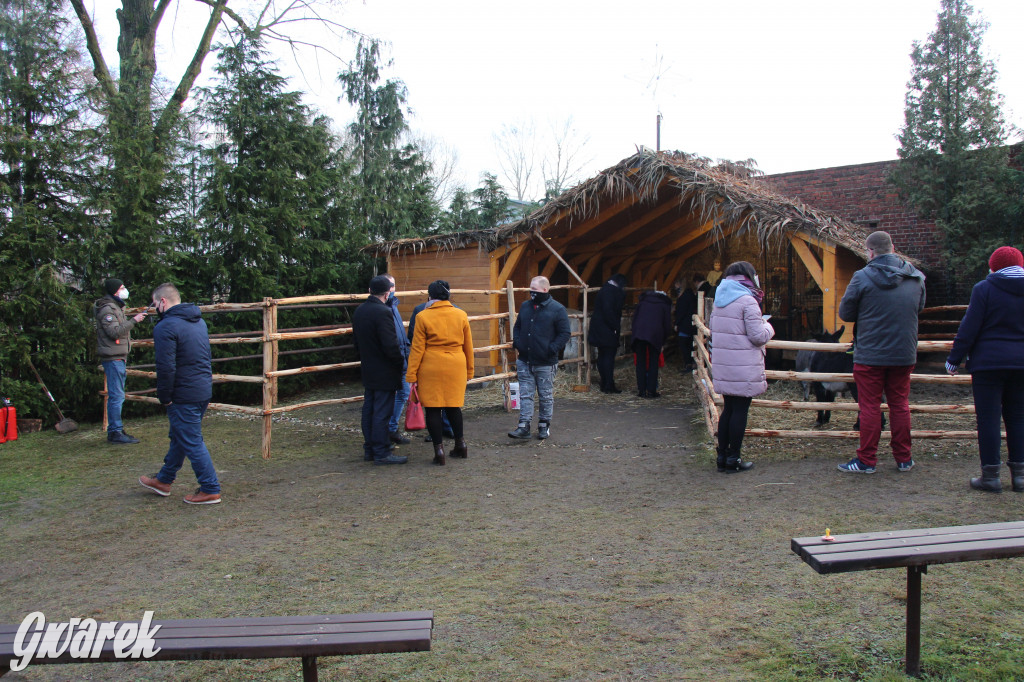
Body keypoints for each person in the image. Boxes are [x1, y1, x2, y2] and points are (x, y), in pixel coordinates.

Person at [836, 230, 925, 474]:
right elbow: (919, 307)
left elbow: (846, 314)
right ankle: (904, 459)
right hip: (904, 352)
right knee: (899, 404)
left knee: (870, 407)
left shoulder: (861, 277)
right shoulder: (916, 277)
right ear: (893, 248)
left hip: (871, 354)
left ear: (870, 251)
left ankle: (866, 461)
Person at [945, 246, 1024, 493]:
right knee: (1019, 418)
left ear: (994, 266)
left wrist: (953, 360)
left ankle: (990, 477)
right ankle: (1020, 477)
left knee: (988, 420)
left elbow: (969, 328)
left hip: (988, 364)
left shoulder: (984, 289)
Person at [138, 283, 222, 504]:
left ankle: (210, 488)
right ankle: (164, 480)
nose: (154, 308)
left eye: (154, 304)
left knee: (191, 440)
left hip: (183, 393)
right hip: (201, 389)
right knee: (180, 436)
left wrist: (165, 396)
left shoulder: (165, 327)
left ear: (162, 302)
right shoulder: (198, 322)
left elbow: (166, 367)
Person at [710, 261, 774, 473]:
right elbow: (757, 336)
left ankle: (722, 457)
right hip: (743, 364)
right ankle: (734, 459)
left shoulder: (719, 300)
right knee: (740, 410)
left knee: (728, 409)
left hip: (725, 363)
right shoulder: (748, 301)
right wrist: (768, 327)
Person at [405, 280, 475, 465]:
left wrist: (411, 375)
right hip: (456, 364)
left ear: (430, 297)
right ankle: (461, 444)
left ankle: (439, 451)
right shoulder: (461, 315)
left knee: (433, 409)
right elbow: (468, 346)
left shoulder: (422, 316)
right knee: (454, 406)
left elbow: (417, 348)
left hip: (431, 366)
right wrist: (470, 370)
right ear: (449, 295)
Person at [352, 275, 407, 466]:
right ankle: (381, 451)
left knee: (369, 410)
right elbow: (390, 345)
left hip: (368, 368)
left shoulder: (360, 311)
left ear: (369, 291)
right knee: (382, 413)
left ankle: (370, 449)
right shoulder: (383, 312)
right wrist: (400, 364)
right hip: (384, 370)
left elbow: (357, 343)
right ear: (387, 293)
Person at [508, 276, 571, 440]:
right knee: (525, 394)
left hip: (545, 362)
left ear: (545, 290)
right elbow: (518, 326)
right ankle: (524, 425)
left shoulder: (557, 309)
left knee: (545, 395)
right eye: (531, 289)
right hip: (525, 359)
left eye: (534, 289)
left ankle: (544, 425)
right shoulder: (525, 306)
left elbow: (564, 333)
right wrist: (517, 342)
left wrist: (552, 349)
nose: (532, 292)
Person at [95, 278, 147, 444]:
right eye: (123, 287)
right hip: (113, 357)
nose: (125, 290)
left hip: (117, 356)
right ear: (115, 291)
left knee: (117, 395)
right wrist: (134, 321)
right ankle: (116, 432)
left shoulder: (115, 306)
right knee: (117, 396)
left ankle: (116, 429)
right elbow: (114, 332)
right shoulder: (107, 309)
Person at [409, 298, 456, 442]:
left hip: (429, 364)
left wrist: (412, 373)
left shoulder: (420, 312)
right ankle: (454, 435)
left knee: (433, 405)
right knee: (450, 402)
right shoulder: (458, 311)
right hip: (452, 363)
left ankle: (438, 439)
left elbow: (413, 339)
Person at [383, 274, 412, 445]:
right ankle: (388, 429)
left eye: (393, 285)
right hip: (393, 359)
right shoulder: (384, 308)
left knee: (404, 393)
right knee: (391, 395)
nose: (391, 289)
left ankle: (392, 428)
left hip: (401, 357)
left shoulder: (393, 306)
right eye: (389, 286)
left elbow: (401, 333)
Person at [587, 273, 627, 393]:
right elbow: (608, 311)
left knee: (602, 355)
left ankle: (605, 382)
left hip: (599, 328)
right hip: (607, 329)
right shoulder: (610, 292)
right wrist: (615, 326)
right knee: (608, 357)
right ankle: (608, 385)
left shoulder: (604, 290)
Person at [631, 288, 673, 398]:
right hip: (655, 335)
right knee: (653, 362)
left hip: (639, 334)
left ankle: (641, 390)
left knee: (641, 362)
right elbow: (667, 324)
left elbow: (634, 319)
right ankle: (651, 390)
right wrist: (664, 340)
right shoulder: (664, 305)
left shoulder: (643, 302)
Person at [675, 274, 704, 372]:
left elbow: (681, 312)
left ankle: (688, 364)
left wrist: (676, 323)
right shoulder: (691, 294)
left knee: (684, 345)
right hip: (691, 324)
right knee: (691, 345)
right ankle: (692, 363)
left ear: (679, 284)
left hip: (684, 325)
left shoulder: (683, 297)